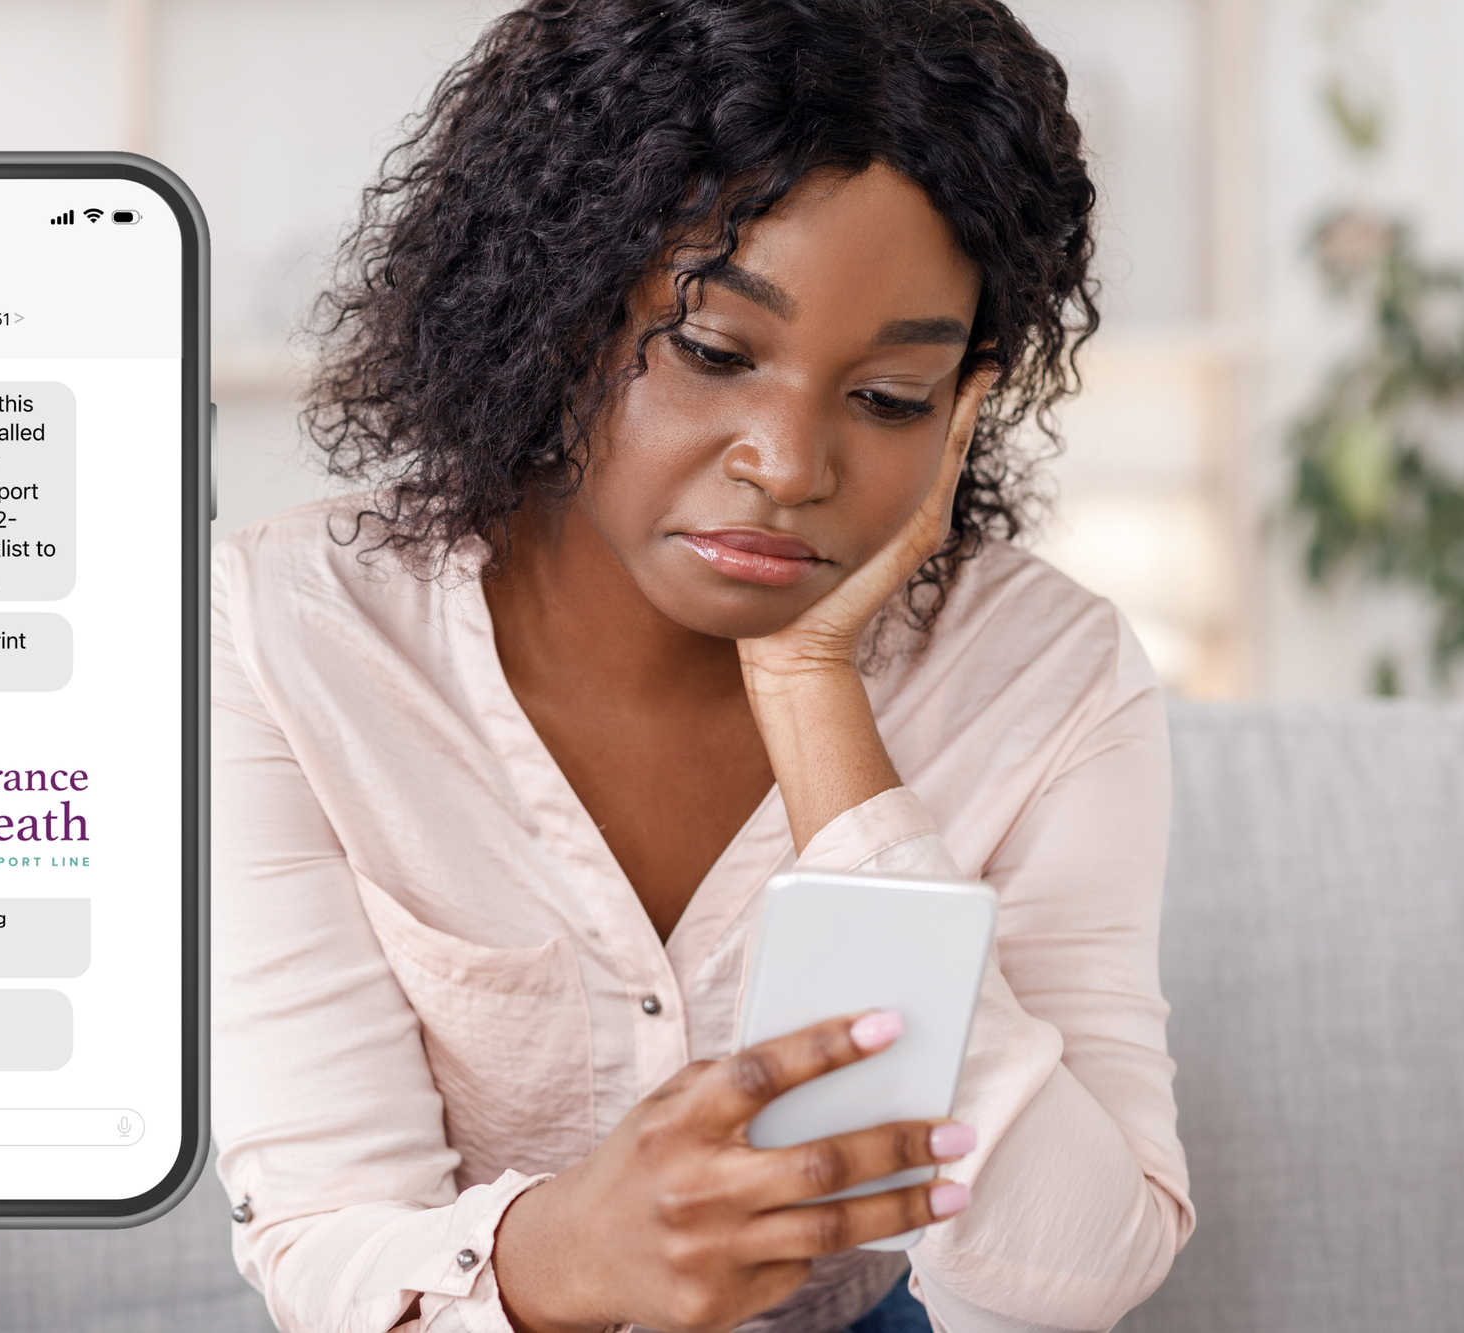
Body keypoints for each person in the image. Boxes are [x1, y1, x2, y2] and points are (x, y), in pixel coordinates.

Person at [209, 2, 1193, 1331]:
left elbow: (1074, 1277)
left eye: (892, 397)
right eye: (716, 352)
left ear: (966, 404)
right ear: (554, 313)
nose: (792, 465)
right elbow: (330, 1244)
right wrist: (572, 1255)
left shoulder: (1049, 675)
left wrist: (816, 700)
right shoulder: (286, 635)